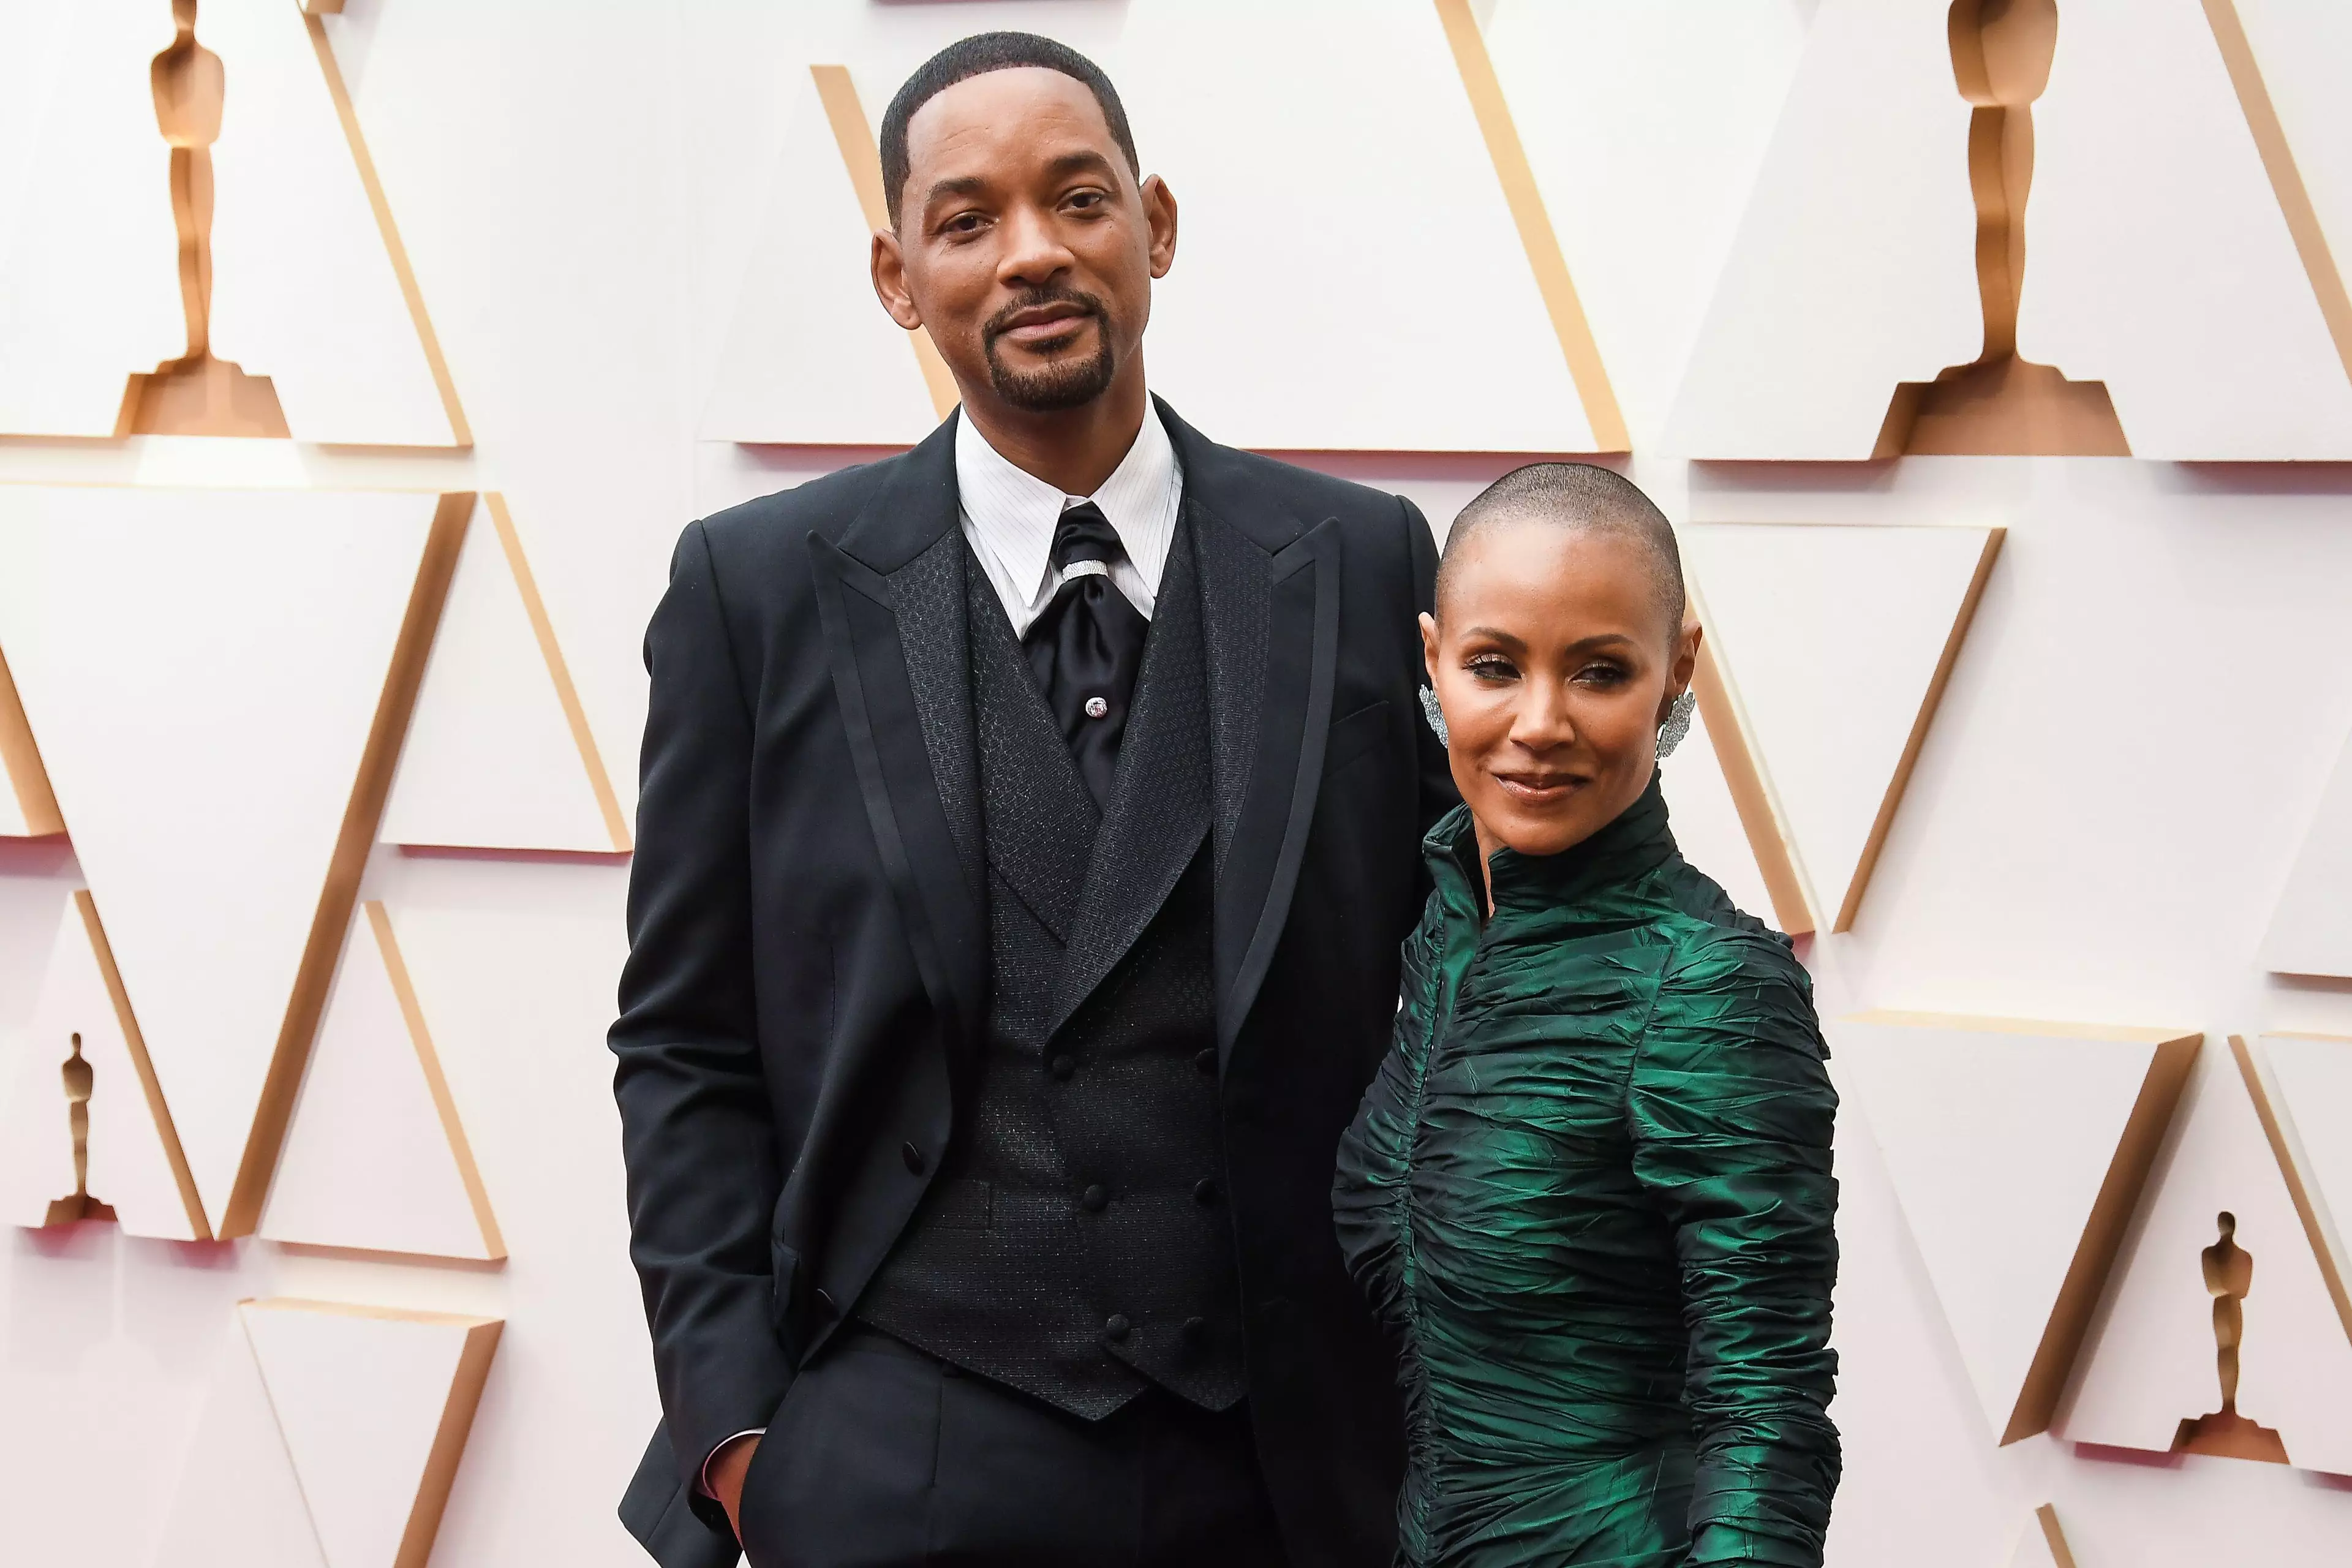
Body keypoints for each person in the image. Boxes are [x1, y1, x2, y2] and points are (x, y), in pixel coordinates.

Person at [611, 31, 1454, 1568]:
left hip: (1286, 1469)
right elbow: (683, 1039)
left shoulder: (1363, 561)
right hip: (894, 1454)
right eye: (967, 218)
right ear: (895, 271)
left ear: (1158, 227)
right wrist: (740, 1438)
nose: (1033, 255)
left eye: (1078, 200)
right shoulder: (756, 590)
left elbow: (1480, 985)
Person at [1333, 464, 1841, 1567]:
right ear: (1433, 663)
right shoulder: (1442, 937)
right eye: (1493, 667)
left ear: (1678, 674)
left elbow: (1770, 1416)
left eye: (1601, 672)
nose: (1539, 724)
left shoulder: (1711, 986)